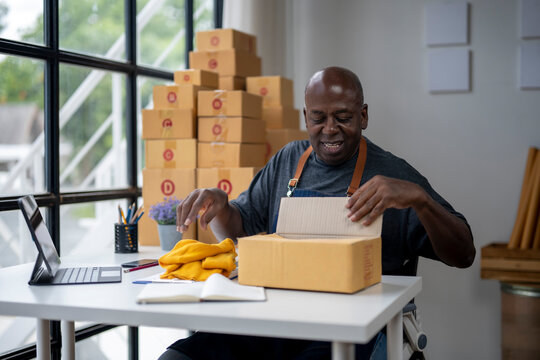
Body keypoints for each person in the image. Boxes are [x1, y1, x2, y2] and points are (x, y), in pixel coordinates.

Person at [158, 66, 475, 360]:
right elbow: (239, 232)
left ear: (363, 116)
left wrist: (420, 200)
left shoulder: (395, 175)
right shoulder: (288, 160)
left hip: (353, 328)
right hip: (277, 318)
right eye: (318, 118)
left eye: (343, 117)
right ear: (305, 116)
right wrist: (222, 209)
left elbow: (463, 254)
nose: (330, 129)